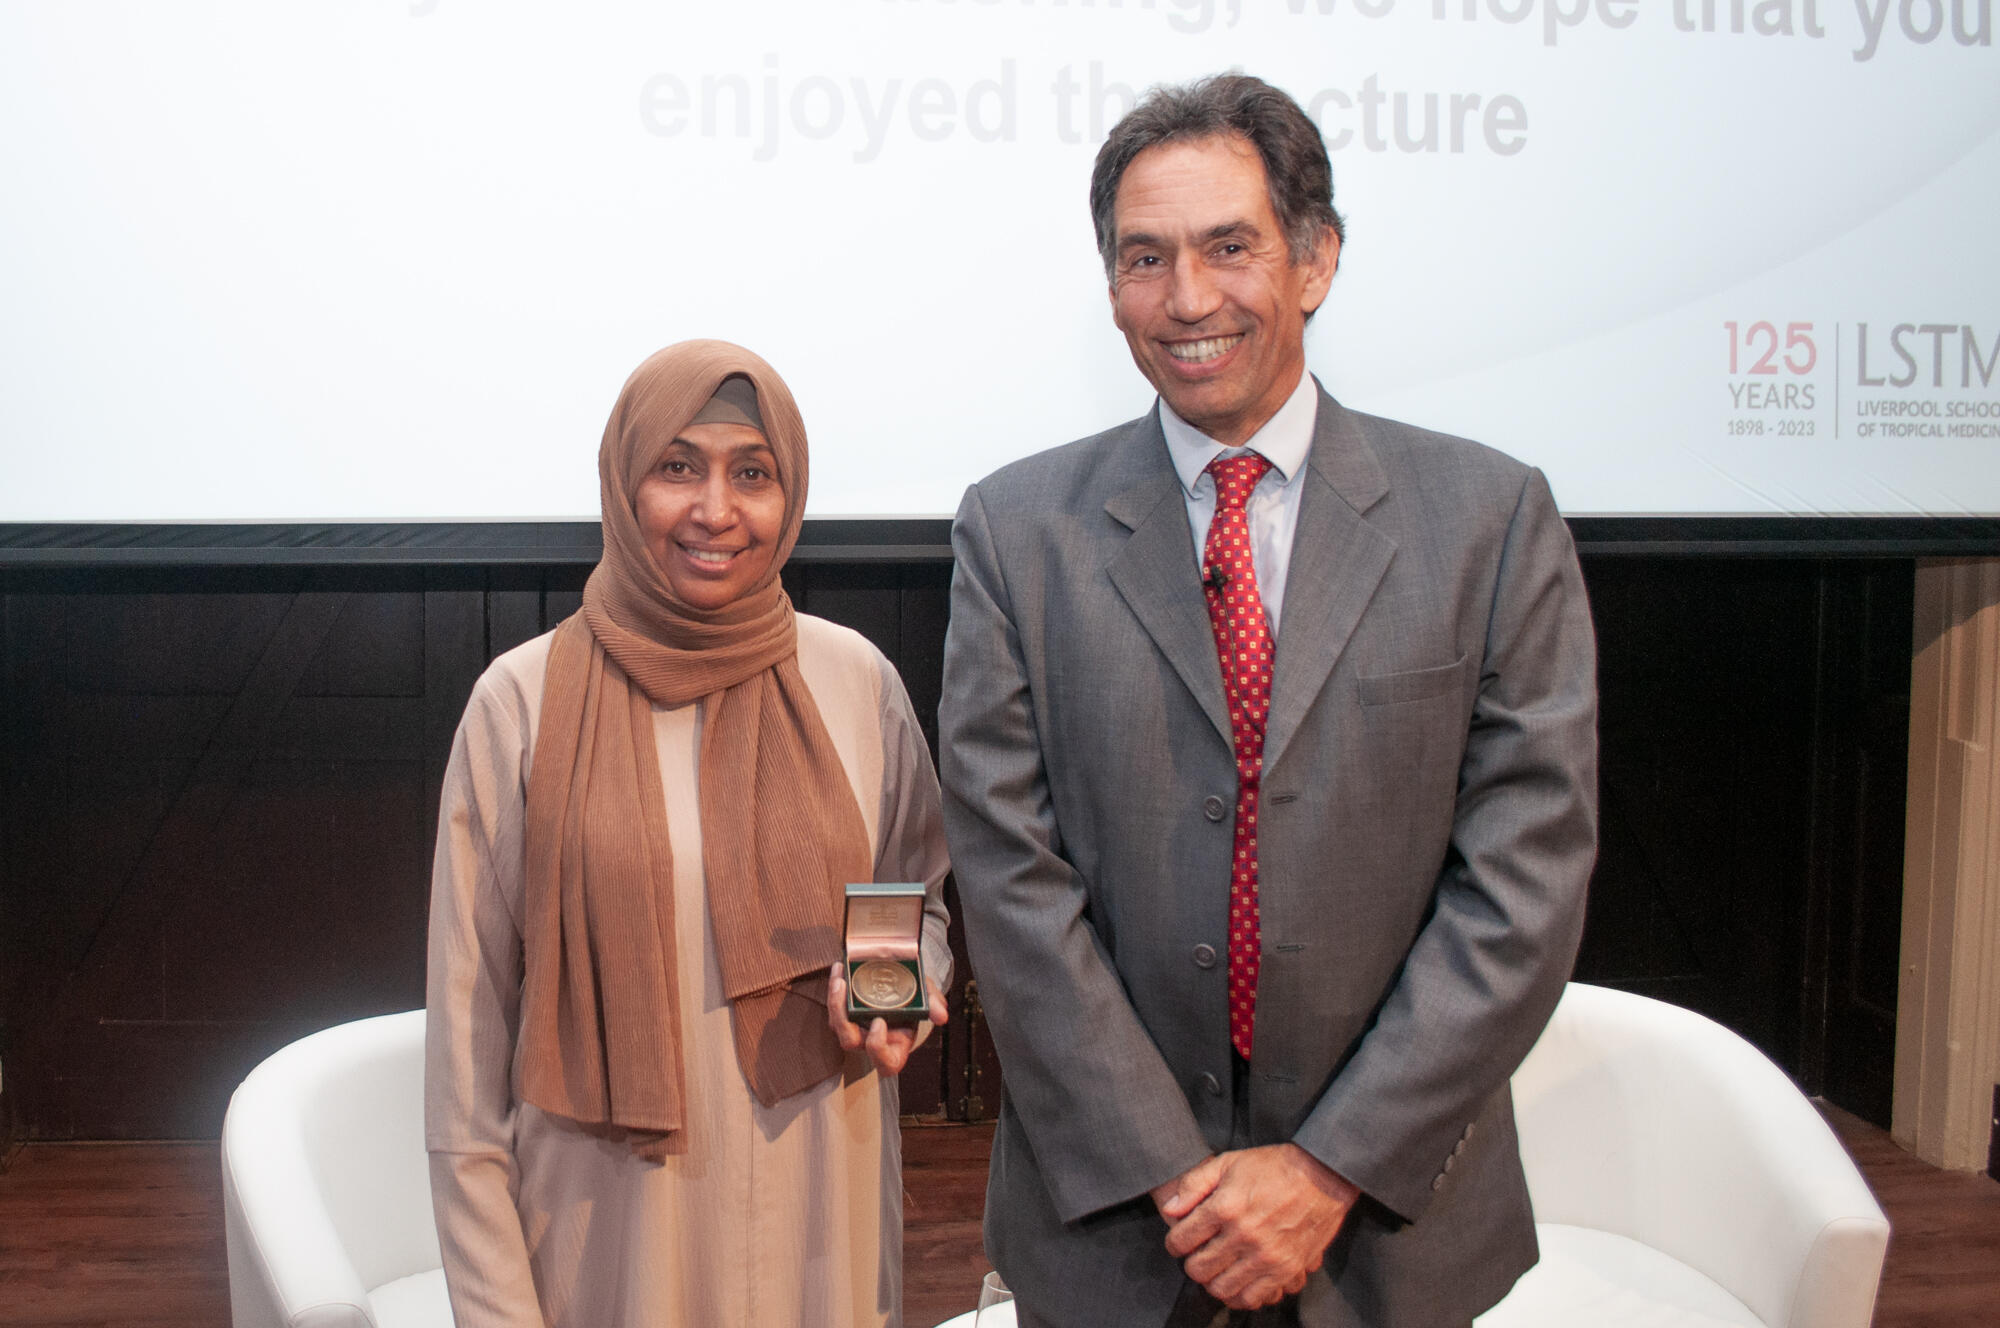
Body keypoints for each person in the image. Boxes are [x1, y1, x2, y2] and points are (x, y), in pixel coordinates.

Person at [938, 74, 1597, 1327]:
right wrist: (1172, 1173)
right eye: (1144, 257)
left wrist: (1326, 1167)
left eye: (1227, 247)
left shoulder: (1487, 519)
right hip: (1116, 1225)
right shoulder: (1015, 531)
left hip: (1390, 1230)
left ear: (1315, 259)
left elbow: (1524, 880)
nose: (1185, 298)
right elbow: (1010, 881)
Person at [425, 339, 951, 1328]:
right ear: (624, 483)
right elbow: (467, 1040)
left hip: (817, 1213)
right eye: (678, 467)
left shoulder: (854, 679)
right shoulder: (522, 702)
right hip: (610, 1235)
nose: (716, 509)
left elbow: (909, 900)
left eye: (752, 473)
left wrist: (890, 993)